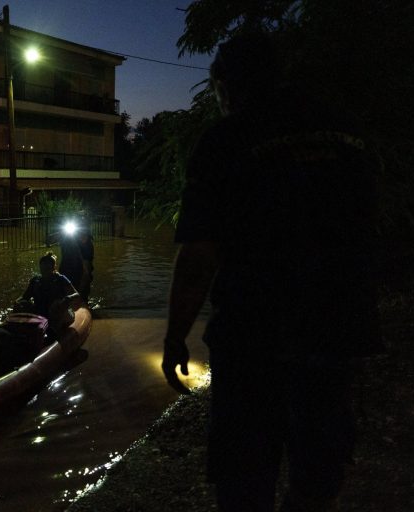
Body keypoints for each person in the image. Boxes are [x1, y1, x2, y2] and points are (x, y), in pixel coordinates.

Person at [161, 33, 381, 511]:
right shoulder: (345, 131)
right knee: (320, 466)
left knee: (244, 470)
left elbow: (199, 257)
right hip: (336, 325)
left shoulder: (226, 139)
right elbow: (371, 227)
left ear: (223, 85)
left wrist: (175, 336)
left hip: (255, 331)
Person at [16, 251, 80, 335]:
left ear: (53, 267)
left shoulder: (61, 279)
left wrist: (67, 299)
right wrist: (17, 302)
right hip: (41, 314)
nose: (45, 271)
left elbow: (76, 295)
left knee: (56, 305)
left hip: (58, 313)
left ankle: (54, 331)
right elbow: (25, 297)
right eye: (43, 268)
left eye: (48, 268)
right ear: (40, 267)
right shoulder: (35, 281)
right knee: (23, 304)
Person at [58, 225, 94, 301]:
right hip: (68, 273)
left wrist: (81, 288)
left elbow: (86, 268)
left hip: (79, 275)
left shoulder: (87, 245)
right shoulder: (69, 242)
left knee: (82, 298)